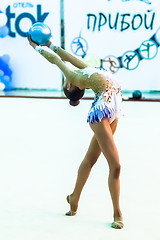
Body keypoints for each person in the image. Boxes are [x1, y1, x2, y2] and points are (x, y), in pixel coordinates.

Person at [28, 37, 124, 229]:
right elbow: (56, 60)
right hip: (101, 112)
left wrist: (50, 44)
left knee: (90, 159)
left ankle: (74, 198)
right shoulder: (74, 78)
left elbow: (66, 56)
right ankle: (117, 213)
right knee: (116, 166)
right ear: (71, 87)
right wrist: (36, 48)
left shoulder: (87, 70)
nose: (66, 80)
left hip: (114, 110)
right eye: (66, 82)